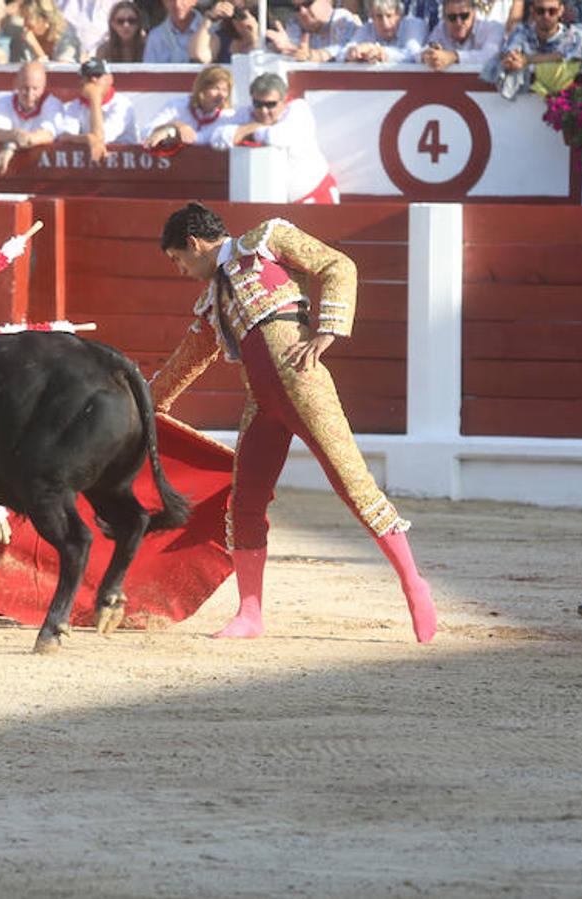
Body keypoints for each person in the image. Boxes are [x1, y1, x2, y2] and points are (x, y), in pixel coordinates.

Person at [152, 202, 436, 643]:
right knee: (244, 504)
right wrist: (147, 404)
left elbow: (337, 265)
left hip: (305, 387)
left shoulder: (267, 240)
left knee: (355, 487)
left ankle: (414, 584)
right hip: (263, 404)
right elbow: (184, 363)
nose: (180, 270)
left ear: (194, 244)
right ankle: (250, 614)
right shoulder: (215, 301)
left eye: (178, 260)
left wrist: (328, 330)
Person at [212, 72, 337, 204]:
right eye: (258, 104)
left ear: (284, 101)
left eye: (270, 104)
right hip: (275, 204)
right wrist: (254, 127)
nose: (264, 111)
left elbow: (277, 136)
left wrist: (249, 130)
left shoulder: (299, 109)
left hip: (316, 197)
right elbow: (218, 138)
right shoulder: (247, 112)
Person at [485, 0, 582, 99]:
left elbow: (565, 56)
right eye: (540, 11)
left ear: (561, 11)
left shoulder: (575, 36)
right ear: (532, 11)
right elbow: (508, 53)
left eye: (552, 11)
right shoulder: (521, 31)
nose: (546, 16)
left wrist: (527, 60)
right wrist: (512, 59)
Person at [0, 61, 63, 175]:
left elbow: (47, 135)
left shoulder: (52, 103)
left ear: (44, 87)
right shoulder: (3, 102)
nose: (29, 94)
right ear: (16, 84)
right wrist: (17, 136)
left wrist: (11, 146)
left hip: (43, 173)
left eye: (35, 88)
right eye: (25, 88)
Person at [58, 58, 137, 164]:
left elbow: (100, 137)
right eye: (89, 78)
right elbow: (64, 136)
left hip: (125, 163)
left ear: (110, 79)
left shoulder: (122, 104)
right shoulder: (75, 105)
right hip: (91, 165)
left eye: (98, 76)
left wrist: (94, 97)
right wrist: (88, 139)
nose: (94, 81)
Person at [142, 64, 233, 151]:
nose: (221, 95)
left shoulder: (228, 116)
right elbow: (146, 132)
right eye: (215, 88)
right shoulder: (177, 106)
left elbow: (199, 139)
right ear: (201, 89)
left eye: (225, 90)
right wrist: (173, 127)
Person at [266, 0, 361, 62]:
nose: (302, 11)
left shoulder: (342, 19)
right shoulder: (295, 24)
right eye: (297, 8)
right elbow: (292, 50)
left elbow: (341, 53)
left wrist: (308, 55)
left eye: (307, 3)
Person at [420, 0, 504, 68]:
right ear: (444, 18)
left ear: (474, 13)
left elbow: (491, 56)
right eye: (452, 17)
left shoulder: (493, 29)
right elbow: (418, 53)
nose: (458, 22)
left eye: (464, 16)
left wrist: (454, 57)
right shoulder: (440, 29)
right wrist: (427, 56)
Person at [341, 0, 428, 62]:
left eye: (389, 16)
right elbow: (342, 53)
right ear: (371, 16)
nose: (385, 23)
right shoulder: (367, 28)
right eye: (379, 16)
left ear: (399, 15)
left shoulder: (414, 25)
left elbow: (414, 55)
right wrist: (353, 52)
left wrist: (382, 52)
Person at [189, 0, 257, 64]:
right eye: (236, 16)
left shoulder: (264, 38)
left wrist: (253, 36)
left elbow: (258, 62)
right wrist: (209, 18)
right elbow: (199, 56)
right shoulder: (222, 39)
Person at [14, 0, 82, 61]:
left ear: (45, 20)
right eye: (23, 19)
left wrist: (36, 48)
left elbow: (60, 71)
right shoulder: (25, 41)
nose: (24, 24)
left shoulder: (67, 39)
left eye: (28, 19)